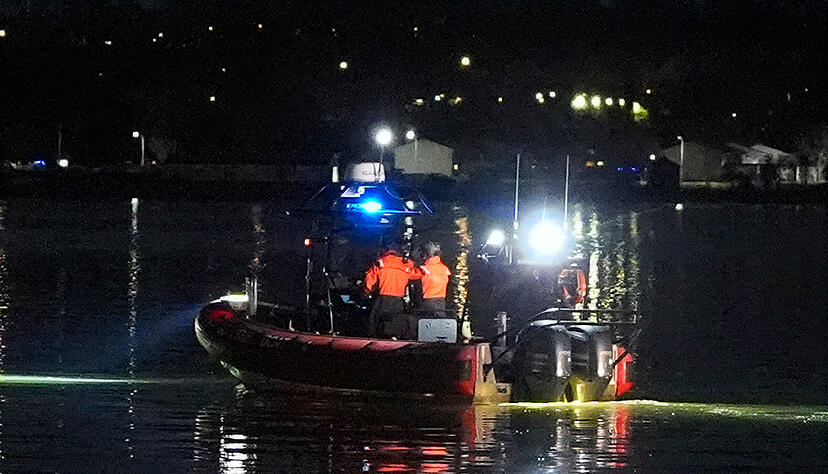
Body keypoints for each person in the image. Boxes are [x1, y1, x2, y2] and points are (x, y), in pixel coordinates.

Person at [363, 241, 416, 336]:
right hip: (398, 301)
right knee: (396, 324)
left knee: (374, 322)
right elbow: (415, 276)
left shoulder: (381, 262)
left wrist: (366, 294)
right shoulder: (407, 264)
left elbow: (369, 281)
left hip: (382, 299)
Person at [415, 241, 451, 315]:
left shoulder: (424, 268)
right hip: (441, 301)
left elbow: (412, 276)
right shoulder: (445, 268)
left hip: (428, 301)